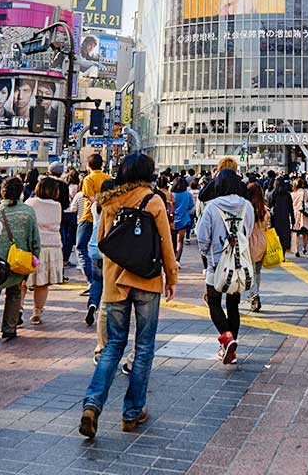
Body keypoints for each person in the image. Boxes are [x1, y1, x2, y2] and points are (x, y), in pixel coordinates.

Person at [79, 154, 178, 441]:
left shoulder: (109, 202)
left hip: (114, 283)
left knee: (112, 346)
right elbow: (166, 245)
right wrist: (171, 277)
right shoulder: (153, 199)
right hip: (146, 279)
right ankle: (132, 412)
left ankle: (92, 405)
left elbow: (101, 243)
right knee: (144, 346)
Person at [195, 168, 251, 364]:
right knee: (233, 305)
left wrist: (207, 252)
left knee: (213, 302)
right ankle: (230, 348)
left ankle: (226, 339)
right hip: (238, 263)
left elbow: (202, 238)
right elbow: (248, 233)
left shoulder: (212, 207)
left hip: (216, 264)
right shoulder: (247, 206)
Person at [0, 177, 40, 344]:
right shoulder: (28, 212)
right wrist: (34, 256)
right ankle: (10, 328)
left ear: (2, 192)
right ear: (20, 192)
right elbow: (35, 239)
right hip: (19, 261)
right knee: (15, 293)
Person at [25, 177, 66, 325]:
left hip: (33, 246)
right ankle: (37, 312)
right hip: (52, 247)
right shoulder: (57, 206)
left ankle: (19, 309)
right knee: (42, 283)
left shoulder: (31, 203)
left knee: (23, 281)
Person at [78, 153, 110, 301]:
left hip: (89, 216)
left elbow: (90, 198)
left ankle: (92, 280)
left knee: (81, 247)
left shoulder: (88, 179)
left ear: (88, 165)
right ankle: (100, 280)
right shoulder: (108, 178)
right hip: (106, 217)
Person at [243, 182, 269, 313]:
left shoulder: (247, 209)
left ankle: (254, 295)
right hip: (262, 241)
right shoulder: (264, 209)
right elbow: (267, 224)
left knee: (251, 271)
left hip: (250, 241)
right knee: (257, 271)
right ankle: (255, 293)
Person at [171, 175, 195, 265]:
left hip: (172, 220)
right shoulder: (188, 194)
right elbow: (191, 206)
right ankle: (177, 260)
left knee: (172, 241)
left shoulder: (172, 195)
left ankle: (172, 258)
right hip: (184, 220)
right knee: (180, 241)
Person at [269, 177, 294, 257]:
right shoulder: (287, 195)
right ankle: (283, 253)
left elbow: (270, 206)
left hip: (275, 218)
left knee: (276, 235)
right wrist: (293, 218)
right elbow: (291, 208)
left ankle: (277, 253)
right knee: (284, 236)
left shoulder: (274, 194)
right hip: (285, 217)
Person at [291, 177, 308, 257]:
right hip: (304, 214)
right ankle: (304, 248)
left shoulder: (292, 193)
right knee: (305, 232)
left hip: (295, 214)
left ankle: (296, 250)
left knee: (296, 233)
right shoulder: (306, 192)